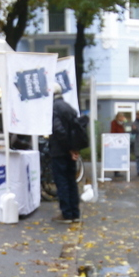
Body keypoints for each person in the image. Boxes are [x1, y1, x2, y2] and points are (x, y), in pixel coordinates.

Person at [50, 87, 82, 223]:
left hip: (59, 151)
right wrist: (74, 148)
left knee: (62, 182)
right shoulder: (69, 108)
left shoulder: (54, 108)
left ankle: (66, 213)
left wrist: (68, 148)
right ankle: (75, 212)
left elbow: (58, 130)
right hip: (70, 150)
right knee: (71, 181)